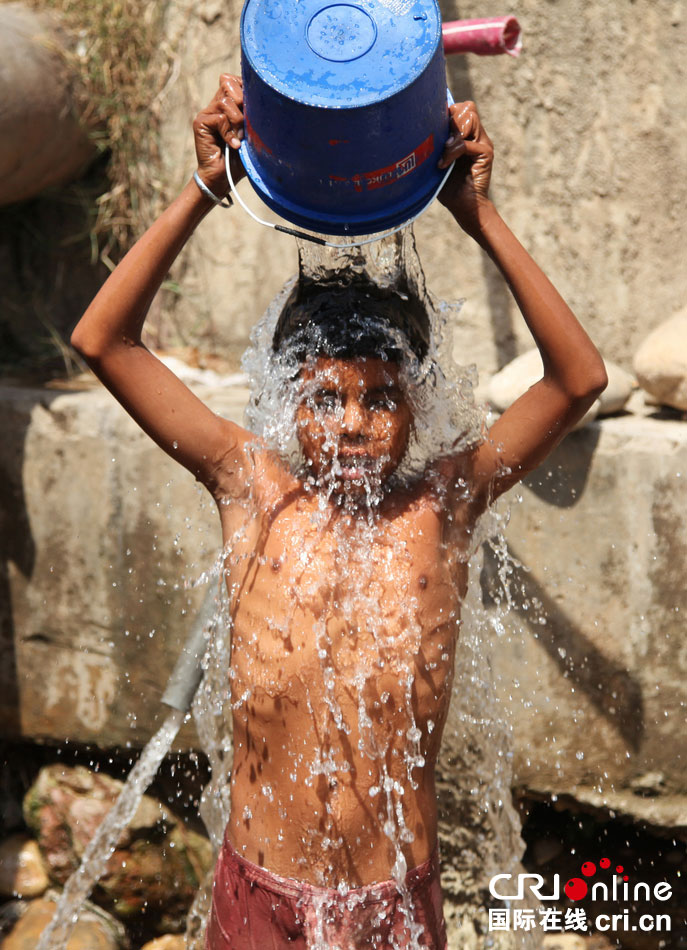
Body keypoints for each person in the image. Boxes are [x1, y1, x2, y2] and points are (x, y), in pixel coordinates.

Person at [71, 74, 607, 950]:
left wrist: (478, 216)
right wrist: (207, 189)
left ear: (416, 405)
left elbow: (577, 380)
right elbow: (103, 340)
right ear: (287, 401)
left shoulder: (447, 503)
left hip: (394, 905)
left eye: (379, 397)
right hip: (261, 900)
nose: (352, 423)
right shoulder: (248, 486)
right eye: (324, 398)